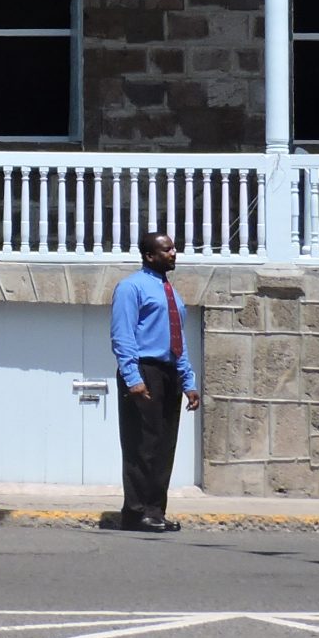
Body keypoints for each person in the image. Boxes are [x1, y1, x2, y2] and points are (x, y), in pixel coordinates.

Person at [108, 228, 201, 532]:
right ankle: (135, 513)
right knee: (140, 445)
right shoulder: (130, 288)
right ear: (149, 255)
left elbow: (179, 340)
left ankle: (155, 511)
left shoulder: (172, 293)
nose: (174, 253)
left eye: (173, 248)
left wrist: (188, 381)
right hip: (144, 370)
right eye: (167, 249)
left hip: (169, 372)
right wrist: (133, 378)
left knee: (163, 446)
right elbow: (123, 336)